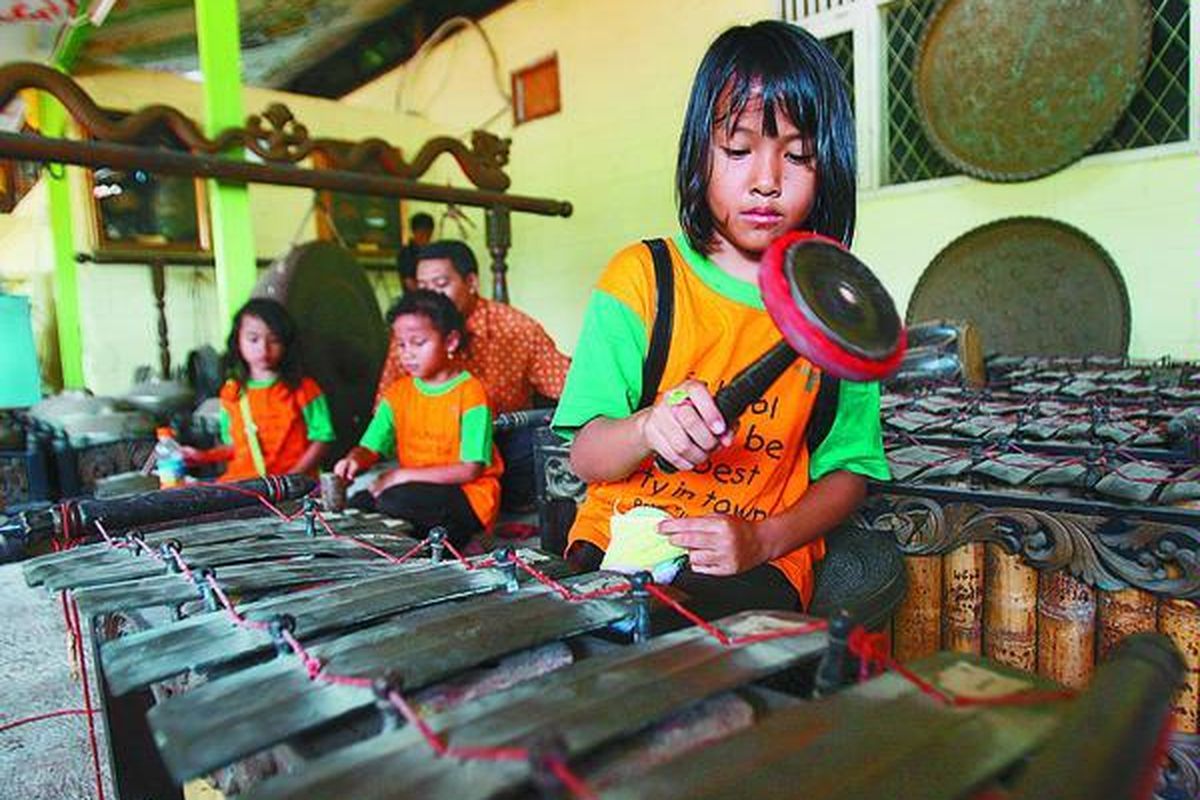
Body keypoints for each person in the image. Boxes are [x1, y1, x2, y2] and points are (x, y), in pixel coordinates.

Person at [550, 20, 889, 623]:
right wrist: (648, 429)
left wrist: (766, 540)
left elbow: (849, 471)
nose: (766, 180)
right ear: (699, 152)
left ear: (827, 164)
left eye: (798, 156)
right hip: (617, 542)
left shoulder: (836, 305)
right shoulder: (642, 278)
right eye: (738, 149)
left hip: (754, 559)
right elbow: (586, 455)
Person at [375, 238, 570, 512]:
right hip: (430, 456)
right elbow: (384, 410)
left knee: (547, 436)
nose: (431, 295)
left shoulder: (516, 328)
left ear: (471, 282)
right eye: (423, 287)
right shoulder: (411, 332)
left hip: (499, 453)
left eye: (441, 285)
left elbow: (571, 389)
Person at [335, 290, 503, 547]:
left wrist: (401, 476)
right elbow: (371, 446)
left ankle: (453, 544)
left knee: (394, 501)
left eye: (418, 342)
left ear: (450, 342)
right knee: (359, 503)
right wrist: (354, 459)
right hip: (415, 490)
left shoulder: (471, 392)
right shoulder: (398, 392)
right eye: (401, 344)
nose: (407, 353)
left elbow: (470, 469)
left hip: (468, 495)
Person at [182, 298, 334, 481]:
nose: (263, 349)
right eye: (253, 339)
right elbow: (237, 447)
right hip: (246, 488)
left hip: (294, 490)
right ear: (238, 340)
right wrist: (203, 456)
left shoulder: (304, 389)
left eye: (274, 340)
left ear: (286, 343)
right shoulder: (232, 392)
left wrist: (292, 479)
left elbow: (322, 439)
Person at [396, 212, 436, 294]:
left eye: (428, 236)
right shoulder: (407, 253)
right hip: (414, 299)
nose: (425, 240)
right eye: (422, 235)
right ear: (414, 232)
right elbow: (409, 282)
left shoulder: (432, 251)